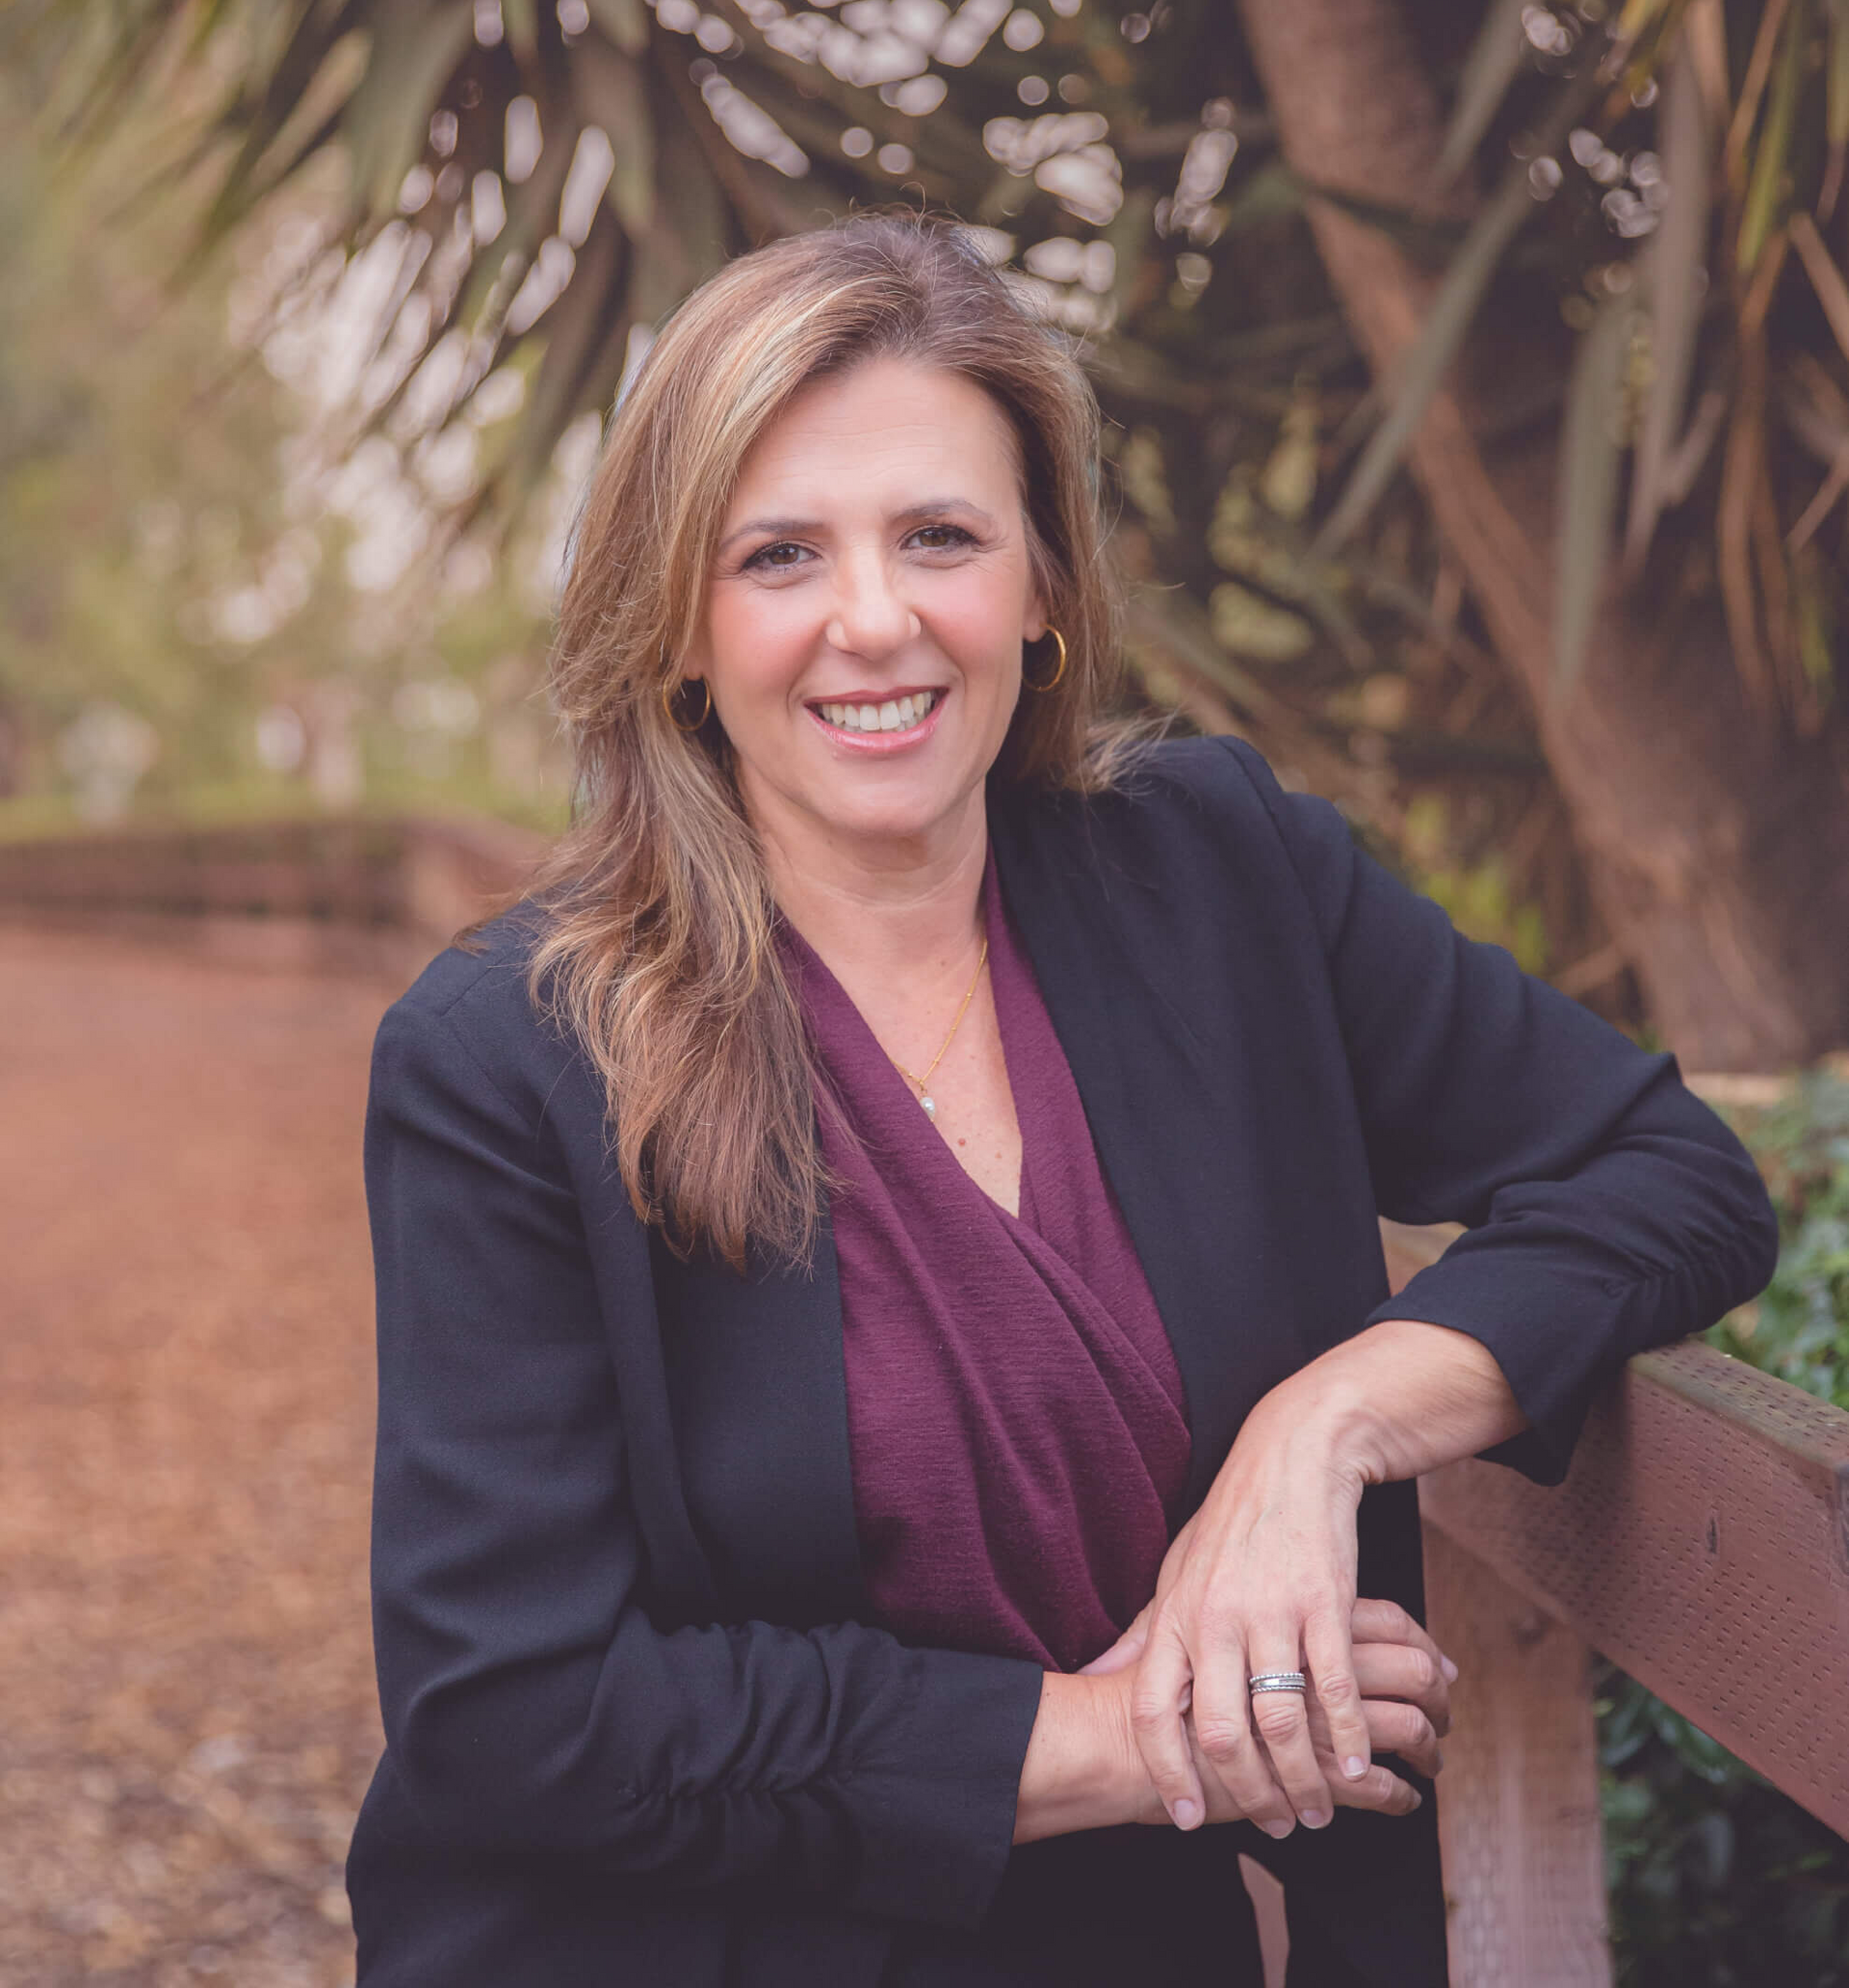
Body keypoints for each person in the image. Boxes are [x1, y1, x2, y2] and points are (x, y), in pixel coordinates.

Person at [346, 215, 1777, 1987]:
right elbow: (521, 1708)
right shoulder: (507, 1059)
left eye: (939, 535)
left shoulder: (1220, 875)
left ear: (1040, 584)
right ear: (680, 629)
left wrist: (1319, 1431)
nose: (874, 619)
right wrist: (1142, 1731)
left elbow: (1674, 1172)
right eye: (779, 553)